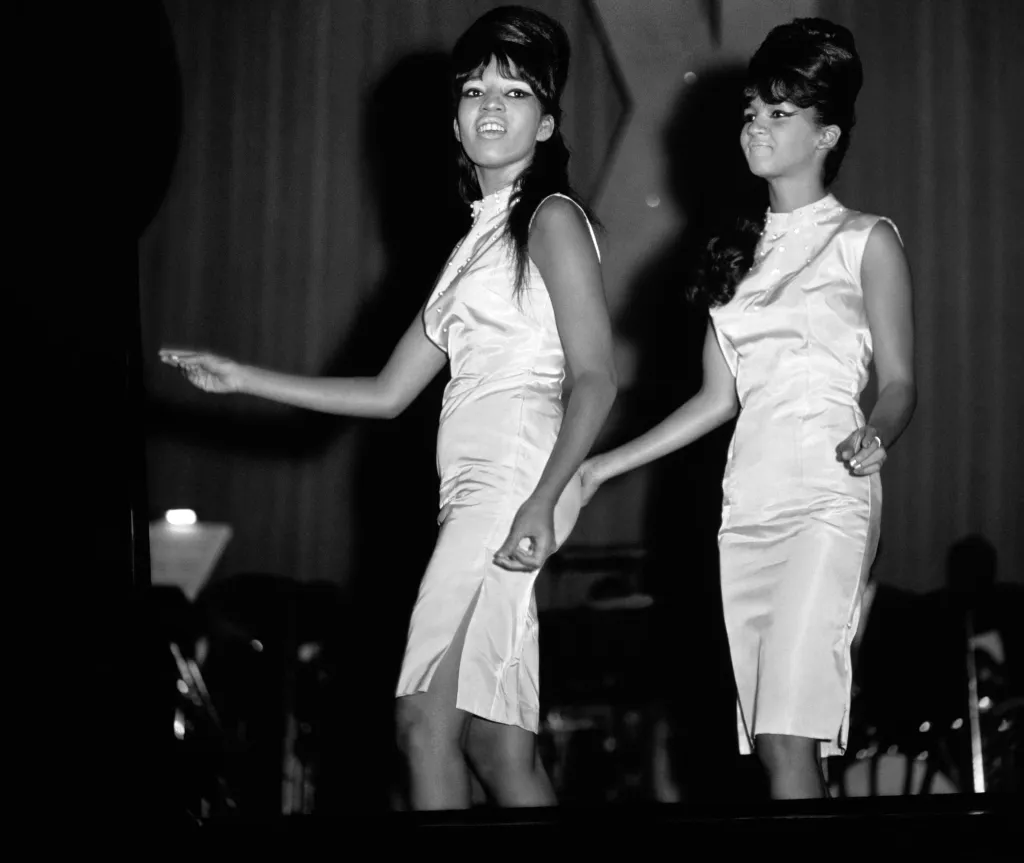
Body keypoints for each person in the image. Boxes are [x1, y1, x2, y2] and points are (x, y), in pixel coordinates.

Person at [160, 5, 617, 810]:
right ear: (453, 117)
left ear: (547, 122)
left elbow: (594, 378)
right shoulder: (473, 244)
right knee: (493, 740)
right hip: (469, 491)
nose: (490, 107)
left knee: (420, 722)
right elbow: (386, 390)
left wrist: (544, 498)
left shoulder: (550, 220)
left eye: (515, 93)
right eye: (475, 89)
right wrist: (244, 377)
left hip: (509, 483)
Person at [578, 17, 916, 800]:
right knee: (770, 744)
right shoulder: (735, 253)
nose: (757, 126)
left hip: (830, 494)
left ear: (826, 133)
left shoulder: (867, 242)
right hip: (748, 507)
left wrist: (878, 430)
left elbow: (899, 381)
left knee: (788, 733)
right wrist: (602, 465)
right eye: (752, 111)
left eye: (780, 113)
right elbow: (714, 399)